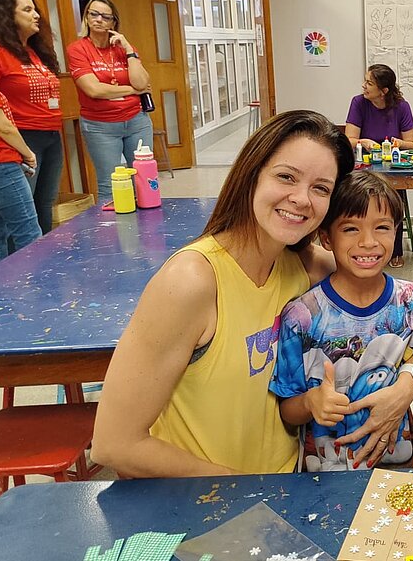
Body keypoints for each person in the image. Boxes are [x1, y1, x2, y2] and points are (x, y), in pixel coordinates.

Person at [92, 111, 354, 477]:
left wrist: (405, 385)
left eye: (321, 188)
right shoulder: (191, 282)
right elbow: (114, 443)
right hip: (208, 497)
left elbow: (393, 302)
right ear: (252, 174)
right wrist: (236, 488)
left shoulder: (303, 267)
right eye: (286, 177)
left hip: (289, 482)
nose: (301, 198)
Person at [271, 170, 413, 470]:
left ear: (396, 232)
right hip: (325, 474)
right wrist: (310, 402)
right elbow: (286, 409)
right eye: (350, 229)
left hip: (398, 463)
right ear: (326, 237)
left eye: (382, 227)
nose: (368, 242)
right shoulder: (301, 317)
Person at [66, 0, 152, 203]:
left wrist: (129, 50)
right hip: (100, 126)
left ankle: (147, 220)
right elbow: (94, 90)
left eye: (105, 16)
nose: (99, 20)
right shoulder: (77, 49)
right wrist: (133, 90)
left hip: (136, 121)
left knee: (144, 177)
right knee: (110, 182)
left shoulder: (124, 49)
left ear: (113, 22)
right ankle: (112, 223)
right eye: (94, 14)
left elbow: (142, 82)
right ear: (86, 17)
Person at [0, 0, 62, 235]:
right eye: (27, 10)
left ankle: (44, 252)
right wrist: (22, 148)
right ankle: (24, 257)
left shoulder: (34, 51)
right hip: (21, 138)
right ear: (8, 16)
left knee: (44, 202)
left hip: (51, 135)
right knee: (23, 214)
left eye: (35, 9)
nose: (36, 15)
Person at [344, 63, 413, 268]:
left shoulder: (401, 107)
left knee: (394, 200)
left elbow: (411, 143)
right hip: (364, 167)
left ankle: (395, 250)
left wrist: (398, 143)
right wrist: (363, 142)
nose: (364, 86)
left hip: (392, 168)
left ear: (383, 90)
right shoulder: (358, 103)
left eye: (369, 83)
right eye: (365, 81)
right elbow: (349, 139)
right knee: (360, 200)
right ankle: (362, 247)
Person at [0, 86, 41, 262]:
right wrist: (27, 153)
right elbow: (4, 127)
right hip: (1, 163)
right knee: (28, 233)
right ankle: (37, 279)